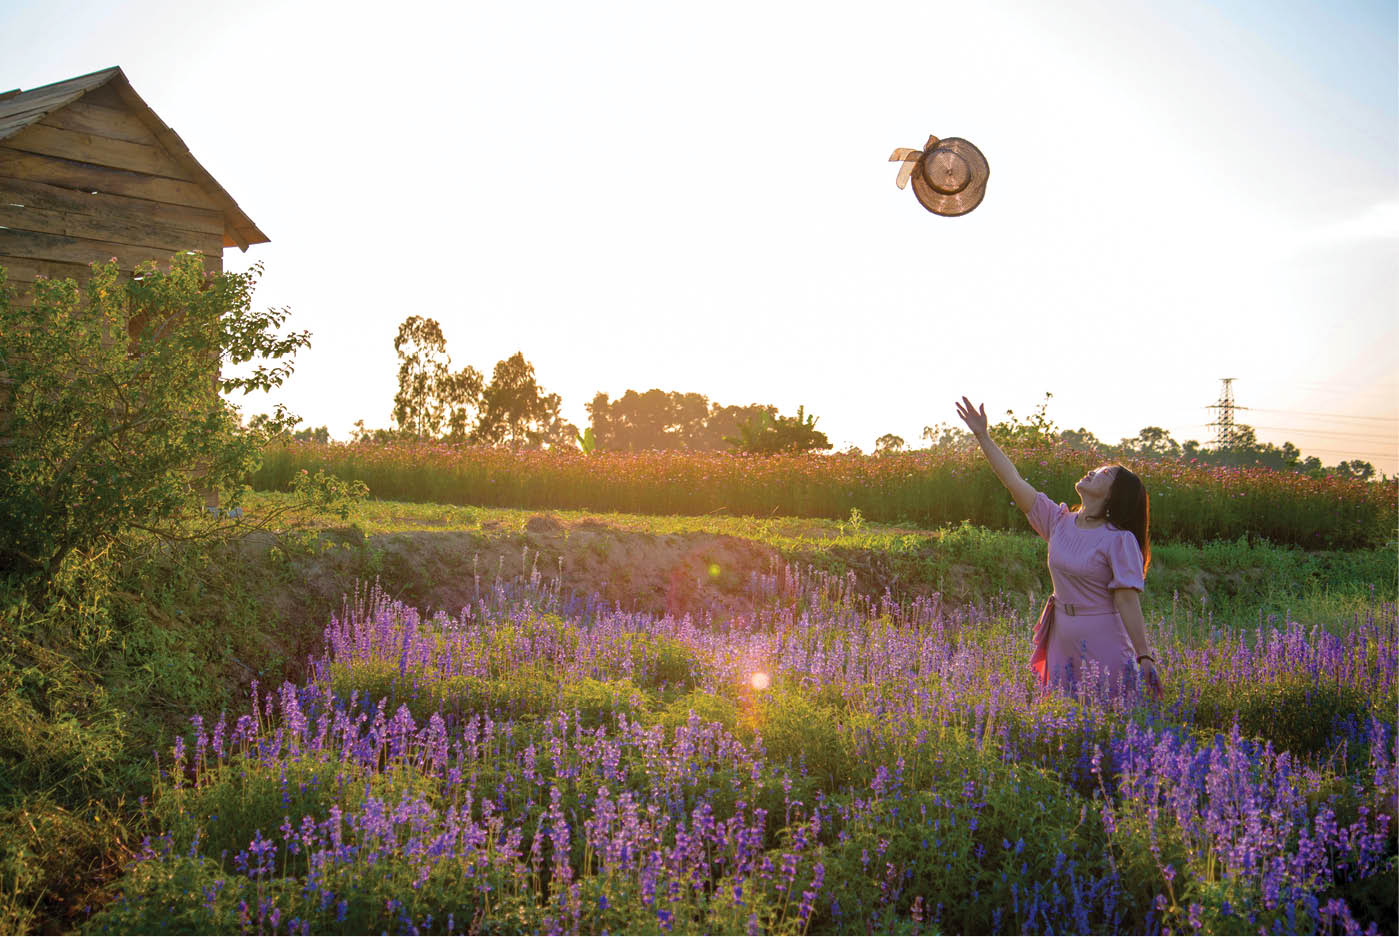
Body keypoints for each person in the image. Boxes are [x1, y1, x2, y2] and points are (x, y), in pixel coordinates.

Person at [955, 396, 1162, 700]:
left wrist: (1144, 656)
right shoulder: (1058, 520)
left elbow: (1127, 601)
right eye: (1098, 468)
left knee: (1108, 717)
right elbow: (1013, 480)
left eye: (1105, 474)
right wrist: (983, 436)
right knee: (1061, 717)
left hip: (1102, 642)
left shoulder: (1119, 540)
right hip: (1061, 639)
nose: (1094, 471)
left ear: (1113, 495)